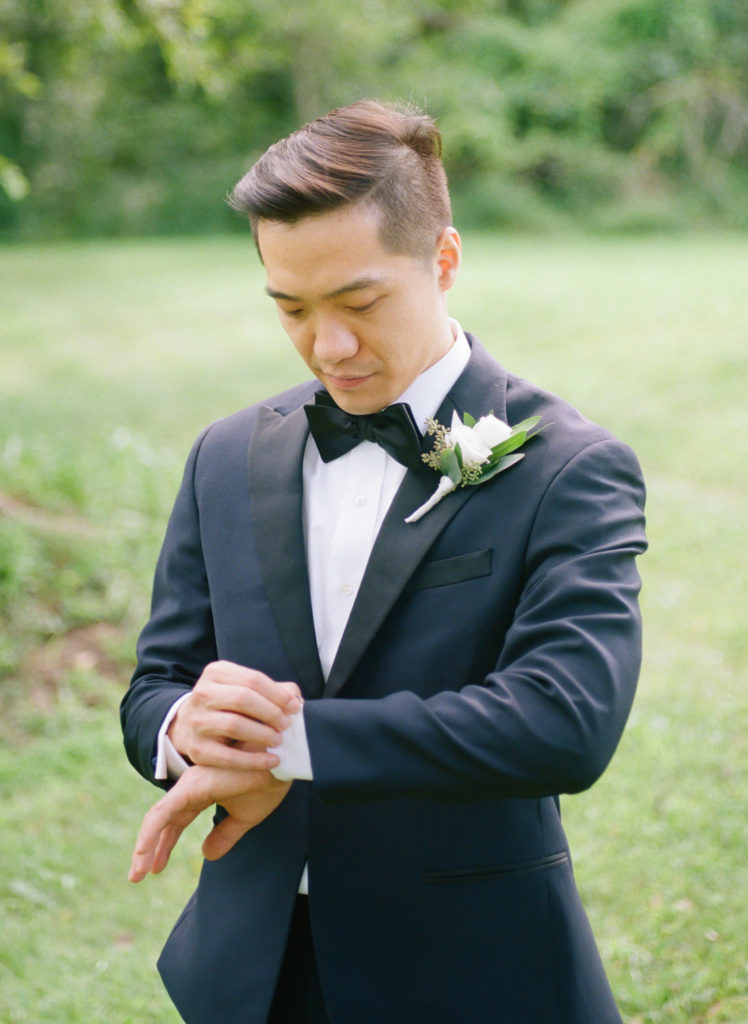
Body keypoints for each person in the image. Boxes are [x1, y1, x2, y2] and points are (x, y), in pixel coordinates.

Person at [121, 99, 647, 1024]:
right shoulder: (225, 456)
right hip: (253, 970)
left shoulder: (567, 465)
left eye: (361, 303)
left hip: (473, 970)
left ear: (443, 260)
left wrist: (287, 746)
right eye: (291, 308)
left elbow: (565, 720)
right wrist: (185, 729)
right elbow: (155, 684)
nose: (329, 346)